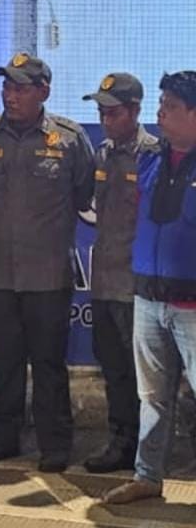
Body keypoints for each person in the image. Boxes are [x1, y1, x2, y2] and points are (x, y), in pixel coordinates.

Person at [0, 53, 95, 473]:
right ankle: (1, 440)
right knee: (4, 365)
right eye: (7, 86)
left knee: (48, 366)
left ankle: (54, 445)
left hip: (48, 277)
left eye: (21, 88)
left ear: (44, 91)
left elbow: (83, 195)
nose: (11, 95)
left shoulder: (70, 139)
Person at [104, 71, 196, 505]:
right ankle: (147, 477)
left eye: (171, 106)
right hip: (148, 300)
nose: (161, 113)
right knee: (152, 399)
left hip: (192, 307)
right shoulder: (151, 159)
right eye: (160, 104)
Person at [81, 73, 157, 474]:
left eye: (113, 112)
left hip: (136, 287)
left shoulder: (152, 155)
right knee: (113, 370)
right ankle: (121, 442)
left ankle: (149, 448)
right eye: (101, 112)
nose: (105, 120)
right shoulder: (102, 154)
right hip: (104, 284)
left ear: (135, 110)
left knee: (145, 377)